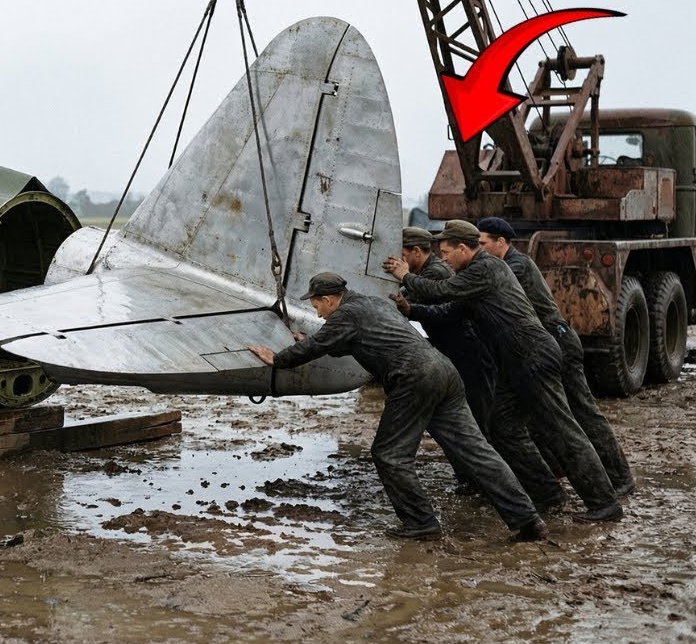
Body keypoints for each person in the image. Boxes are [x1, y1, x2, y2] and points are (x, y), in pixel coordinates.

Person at [248, 271, 547, 542]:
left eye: (316, 306)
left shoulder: (345, 315)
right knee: (476, 450)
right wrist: (310, 341)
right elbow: (341, 342)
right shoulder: (371, 304)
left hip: (413, 377)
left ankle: (421, 523)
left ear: (328, 299)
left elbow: (318, 345)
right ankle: (527, 519)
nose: (317, 312)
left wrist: (278, 358)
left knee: (390, 454)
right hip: (444, 371)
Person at [383, 221, 623, 523]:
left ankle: (604, 502)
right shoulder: (471, 278)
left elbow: (441, 290)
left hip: (533, 356)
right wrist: (410, 309)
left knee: (561, 429)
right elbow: (447, 310)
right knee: (502, 428)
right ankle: (547, 492)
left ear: (462, 248)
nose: (442, 258)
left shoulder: (486, 269)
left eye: (445, 253)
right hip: (513, 362)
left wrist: (404, 275)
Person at [476, 216, 636, 497]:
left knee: (583, 412)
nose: (479, 250)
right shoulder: (504, 265)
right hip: (539, 348)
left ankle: (620, 476)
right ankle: (555, 474)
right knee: (534, 419)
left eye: (482, 244)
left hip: (558, 342)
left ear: (501, 242)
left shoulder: (516, 267)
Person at [400, 226, 497, 441]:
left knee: (477, 415)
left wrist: (405, 302)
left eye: (403, 256)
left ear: (417, 251)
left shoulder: (434, 272)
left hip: (466, 351)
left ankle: (486, 466)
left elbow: (421, 302)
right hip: (456, 349)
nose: (444, 259)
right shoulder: (424, 272)